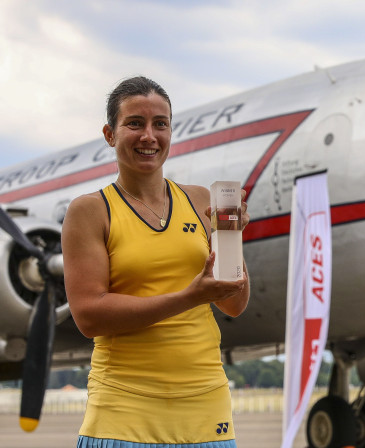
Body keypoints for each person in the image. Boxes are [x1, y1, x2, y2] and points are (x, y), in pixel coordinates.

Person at [62, 76, 250, 447]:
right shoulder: (90, 210)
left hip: (208, 416)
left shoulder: (200, 201)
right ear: (110, 134)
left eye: (160, 124)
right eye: (135, 123)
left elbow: (234, 303)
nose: (149, 135)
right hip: (124, 418)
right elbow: (89, 316)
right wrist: (189, 296)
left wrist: (233, 242)